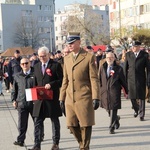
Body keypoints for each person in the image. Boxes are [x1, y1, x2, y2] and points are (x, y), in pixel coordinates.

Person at [59, 32, 100, 150]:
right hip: (70, 98)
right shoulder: (66, 59)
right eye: (68, 43)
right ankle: (82, 144)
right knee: (71, 125)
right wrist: (61, 98)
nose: (70, 45)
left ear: (79, 42)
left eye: (72, 43)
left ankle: (84, 147)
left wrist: (96, 97)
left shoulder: (88, 57)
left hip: (84, 96)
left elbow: (94, 79)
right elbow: (65, 80)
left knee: (86, 124)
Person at [29, 46, 63, 150]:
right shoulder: (36, 66)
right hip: (40, 99)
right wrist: (33, 98)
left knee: (54, 121)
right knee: (37, 122)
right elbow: (34, 82)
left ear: (48, 55)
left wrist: (52, 84)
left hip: (52, 98)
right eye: (40, 56)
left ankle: (55, 143)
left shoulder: (56, 65)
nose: (42, 58)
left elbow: (61, 80)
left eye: (44, 56)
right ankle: (37, 144)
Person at [99, 52, 128, 134]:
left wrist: (127, 91)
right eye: (108, 57)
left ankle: (111, 128)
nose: (109, 59)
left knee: (113, 109)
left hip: (114, 92)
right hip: (105, 92)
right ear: (105, 58)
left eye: (111, 57)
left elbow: (123, 81)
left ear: (114, 58)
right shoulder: (102, 67)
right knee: (108, 109)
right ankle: (116, 119)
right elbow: (99, 79)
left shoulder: (118, 69)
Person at [124, 41, 150, 121]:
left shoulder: (144, 55)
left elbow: (148, 69)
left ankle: (141, 114)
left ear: (139, 47)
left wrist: (148, 80)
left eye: (135, 46)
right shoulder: (128, 55)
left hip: (141, 78)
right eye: (132, 46)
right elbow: (125, 68)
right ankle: (136, 109)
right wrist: (124, 80)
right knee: (132, 96)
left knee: (142, 97)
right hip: (131, 79)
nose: (133, 48)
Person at [12, 57, 34, 147]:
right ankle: (20, 140)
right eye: (23, 64)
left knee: (37, 122)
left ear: (30, 63)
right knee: (21, 123)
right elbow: (14, 90)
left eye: (26, 63)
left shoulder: (35, 74)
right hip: (22, 103)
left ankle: (39, 137)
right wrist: (13, 100)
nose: (25, 65)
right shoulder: (17, 76)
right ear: (20, 65)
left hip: (33, 103)